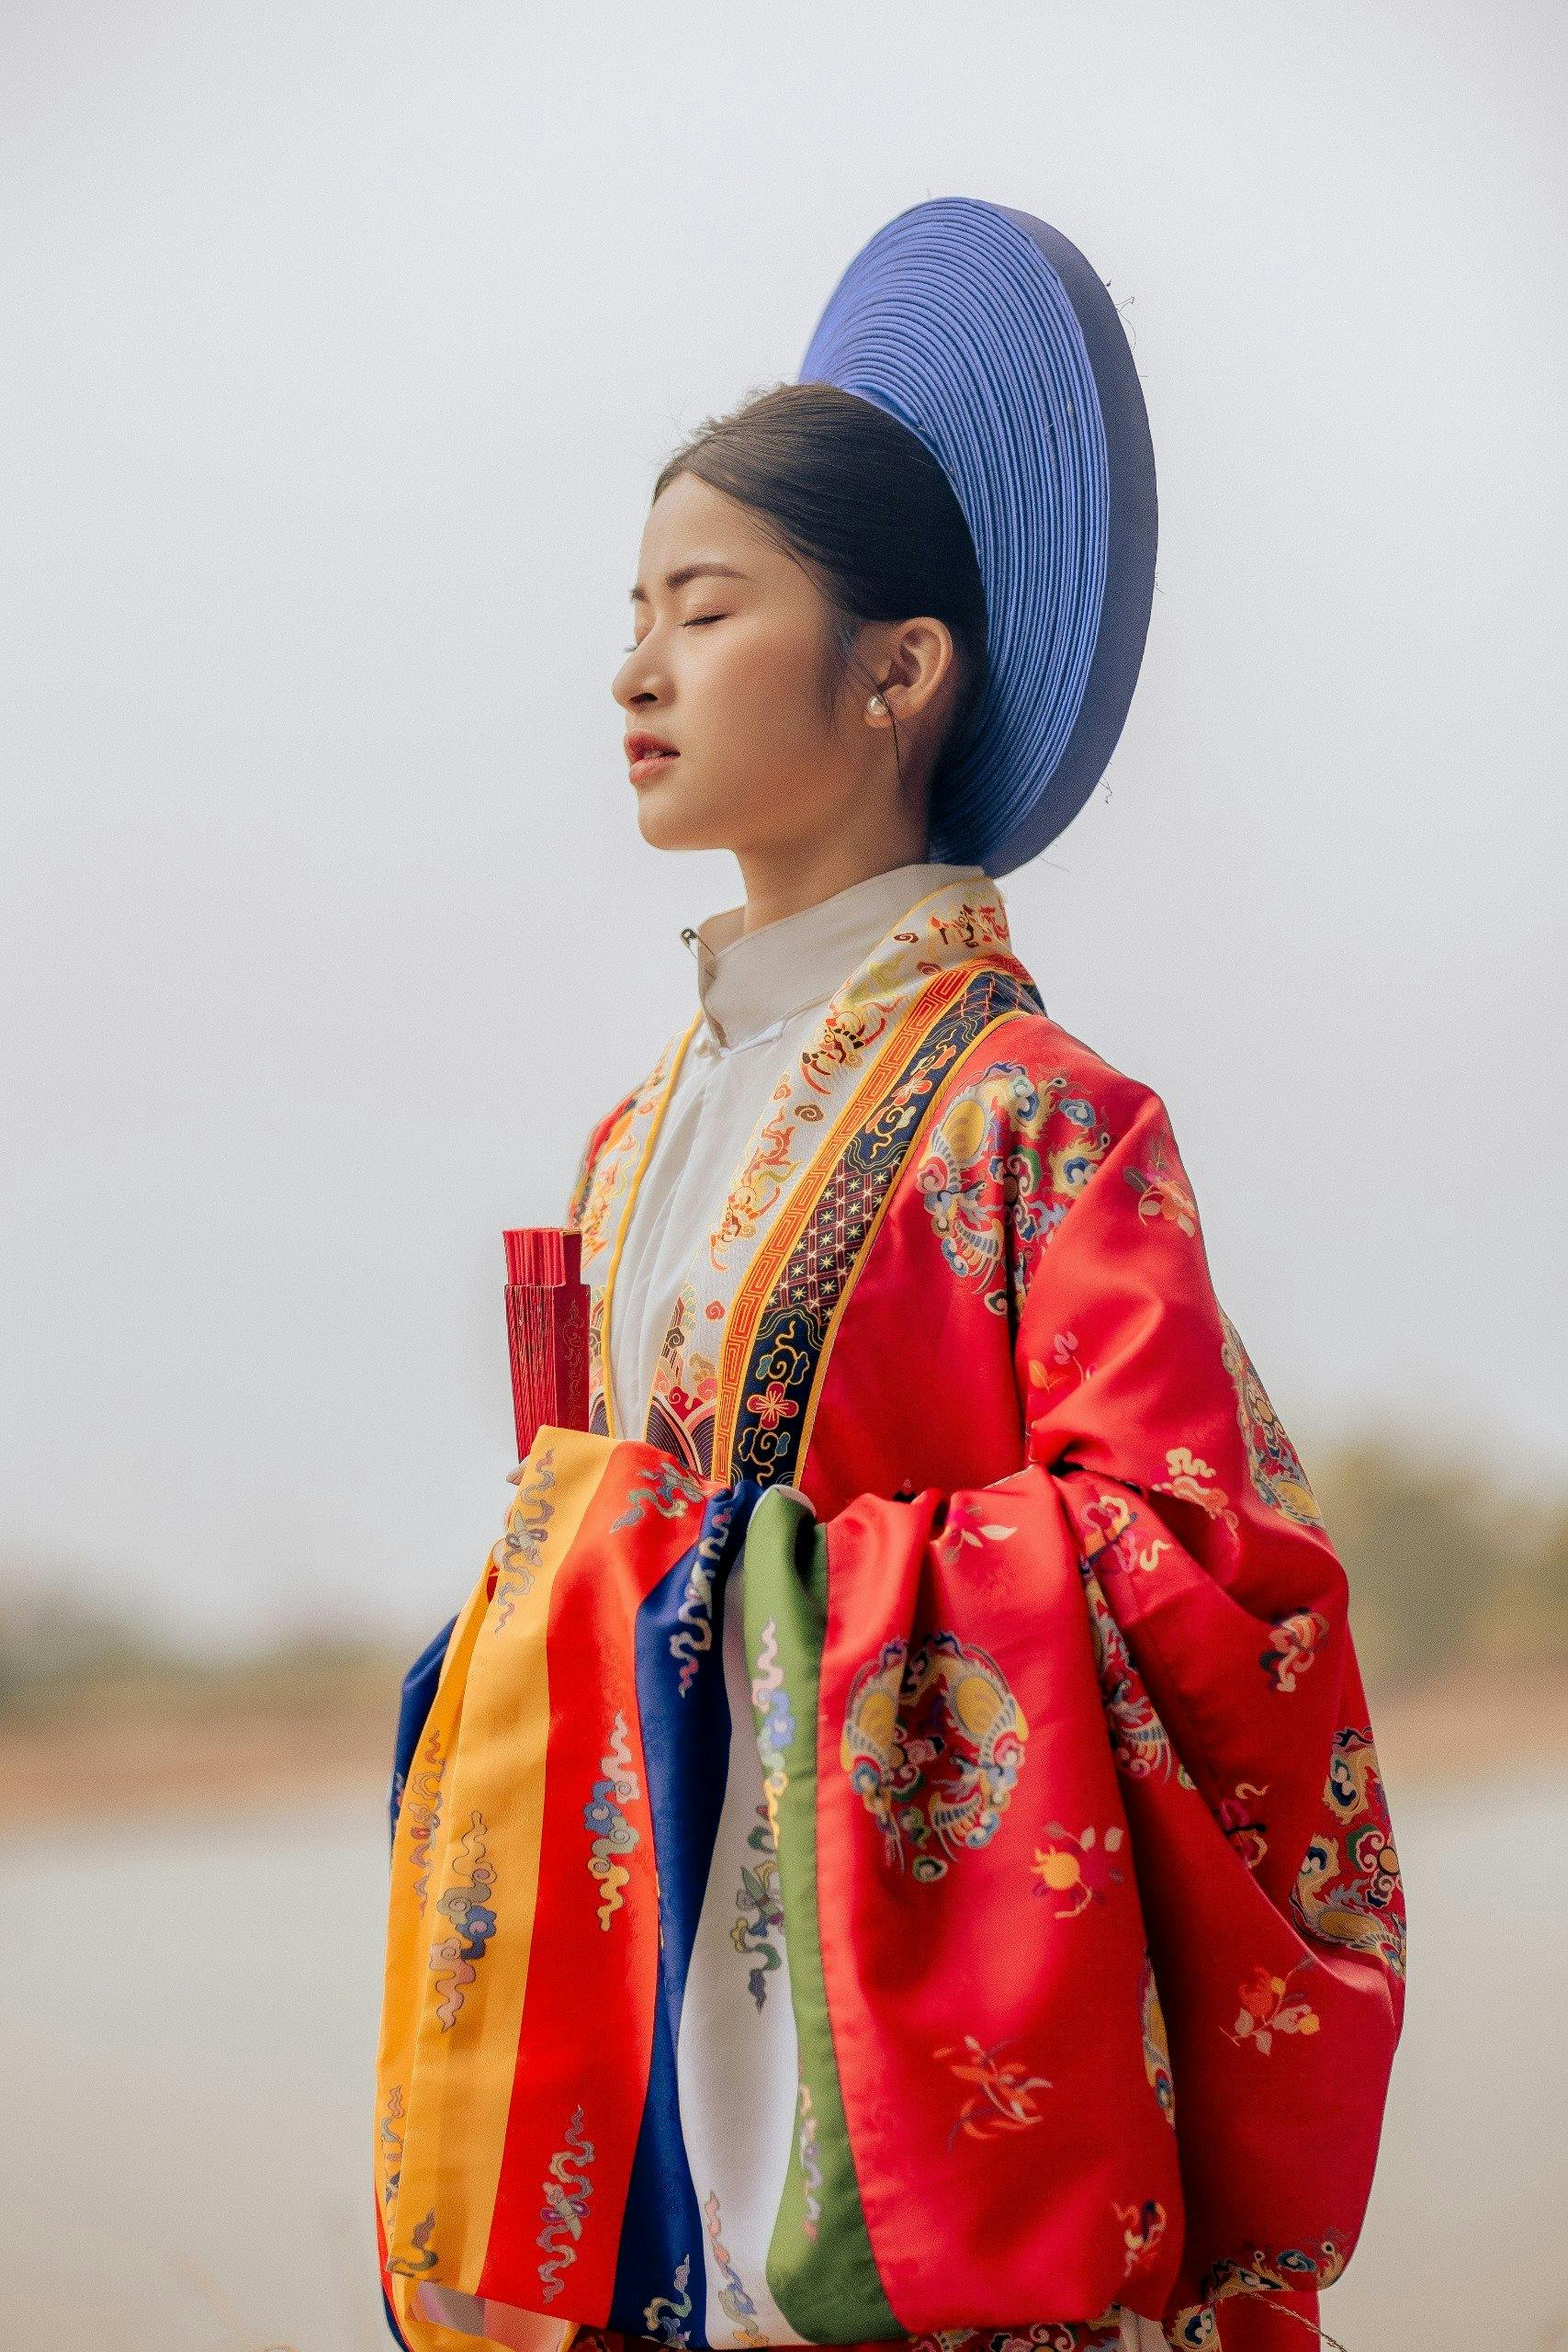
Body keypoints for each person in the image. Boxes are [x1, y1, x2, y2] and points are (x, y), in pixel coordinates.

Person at [375, 204, 1405, 2352]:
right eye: (629, 614)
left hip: (924, 2149)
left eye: (703, 606)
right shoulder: (632, 1137)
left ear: (894, 667)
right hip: (665, 2088)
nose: (632, 669)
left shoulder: (1040, 1119)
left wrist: (732, 1587)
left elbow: (1206, 1576)